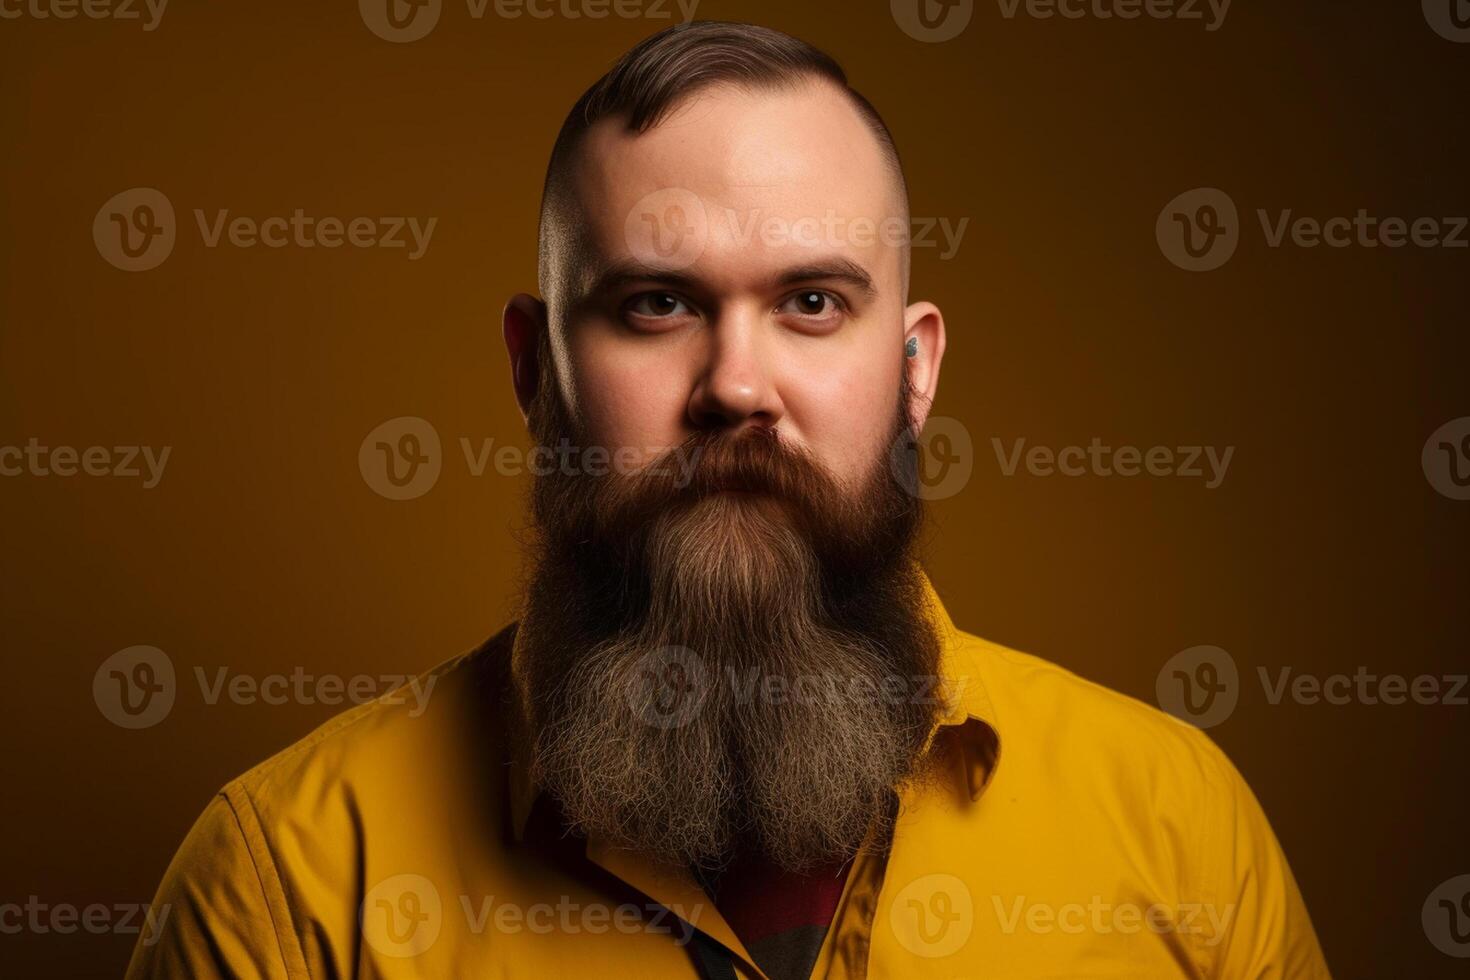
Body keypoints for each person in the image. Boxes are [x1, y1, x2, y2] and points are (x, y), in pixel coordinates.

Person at [127, 21, 1330, 979]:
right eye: (657, 304)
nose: (736, 387)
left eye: (812, 302)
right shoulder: (287, 886)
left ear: (915, 371)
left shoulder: (1179, 832)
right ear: (535, 372)